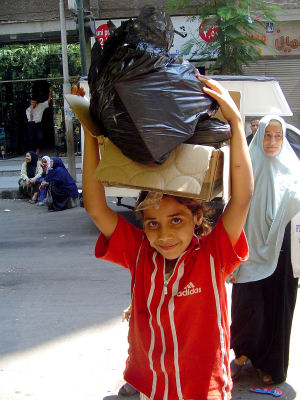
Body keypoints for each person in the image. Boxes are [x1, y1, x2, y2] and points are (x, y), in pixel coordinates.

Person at [82, 76, 253, 400]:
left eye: (176, 220)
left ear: (197, 218)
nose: (164, 234)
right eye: (152, 224)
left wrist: (235, 121)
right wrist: (92, 137)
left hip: (206, 391)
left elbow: (242, 198)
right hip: (152, 389)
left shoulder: (213, 255)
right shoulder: (138, 252)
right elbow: (95, 206)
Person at [230, 115, 300, 385]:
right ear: (259, 137)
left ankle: (271, 363)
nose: (272, 141)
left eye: (277, 136)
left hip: (282, 251)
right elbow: (235, 208)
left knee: (277, 309)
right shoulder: (248, 166)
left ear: (283, 139)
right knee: (247, 306)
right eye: (267, 135)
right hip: (248, 248)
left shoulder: (293, 169)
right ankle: (243, 355)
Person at [26, 87, 52, 155]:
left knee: (40, 137)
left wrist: (50, 92)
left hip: (38, 124)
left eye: (34, 102)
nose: (33, 104)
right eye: (31, 102)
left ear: (36, 102)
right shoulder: (28, 109)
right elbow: (31, 118)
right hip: (31, 124)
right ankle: (32, 152)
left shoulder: (40, 106)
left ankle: (38, 149)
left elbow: (48, 101)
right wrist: (31, 109)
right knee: (31, 139)